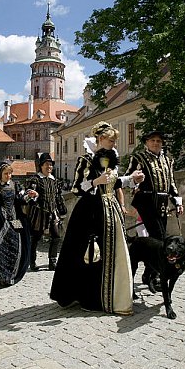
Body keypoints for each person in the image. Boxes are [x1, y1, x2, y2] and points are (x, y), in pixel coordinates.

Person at [50, 121, 144, 315]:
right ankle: (88, 296)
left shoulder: (111, 159)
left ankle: (113, 293)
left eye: (114, 141)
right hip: (90, 212)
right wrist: (95, 181)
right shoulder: (86, 159)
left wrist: (131, 178)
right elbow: (76, 188)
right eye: (110, 140)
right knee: (89, 253)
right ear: (100, 139)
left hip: (110, 210)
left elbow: (114, 182)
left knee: (113, 252)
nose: (113, 144)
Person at [125, 130, 184, 285]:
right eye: (152, 140)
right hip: (146, 200)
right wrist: (135, 180)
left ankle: (149, 272)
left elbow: (171, 182)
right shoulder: (139, 158)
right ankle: (155, 273)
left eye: (158, 141)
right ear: (146, 143)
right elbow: (129, 177)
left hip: (163, 202)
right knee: (159, 238)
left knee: (160, 237)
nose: (156, 143)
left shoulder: (167, 160)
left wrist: (177, 201)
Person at [25, 153, 67, 271]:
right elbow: (29, 195)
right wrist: (35, 196)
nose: (49, 167)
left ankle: (52, 262)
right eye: (46, 164)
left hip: (53, 212)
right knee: (36, 238)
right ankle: (32, 262)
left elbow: (58, 197)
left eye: (50, 165)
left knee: (56, 236)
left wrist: (62, 209)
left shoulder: (55, 181)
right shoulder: (35, 180)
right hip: (39, 213)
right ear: (41, 166)